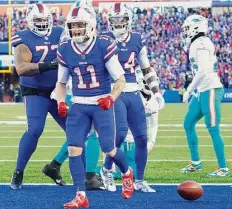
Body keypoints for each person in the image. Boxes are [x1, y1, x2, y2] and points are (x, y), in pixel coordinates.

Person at [56, 6, 134, 208]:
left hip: (101, 102)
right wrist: (61, 101)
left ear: (90, 25)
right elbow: (61, 83)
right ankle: (81, 194)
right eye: (73, 26)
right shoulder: (65, 48)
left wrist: (111, 97)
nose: (76, 30)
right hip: (79, 104)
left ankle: (126, 172)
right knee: (74, 148)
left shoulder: (103, 45)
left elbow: (120, 80)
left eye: (80, 25)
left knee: (108, 148)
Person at [100, 3, 164, 193]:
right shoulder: (103, 40)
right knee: (119, 134)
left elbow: (146, 68)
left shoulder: (137, 39)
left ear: (129, 21)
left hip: (134, 91)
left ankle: (140, 180)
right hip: (114, 91)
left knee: (142, 138)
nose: (118, 24)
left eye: (122, 20)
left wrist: (157, 92)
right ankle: (106, 170)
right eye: (115, 20)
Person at [41, 0, 105, 190]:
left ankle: (54, 165)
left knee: (82, 133)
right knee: (92, 132)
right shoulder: (78, 35)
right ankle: (90, 176)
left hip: (71, 88)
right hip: (78, 89)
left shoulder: (66, 33)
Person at [9, 3, 66, 189]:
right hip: (35, 92)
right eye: (38, 20)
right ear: (30, 21)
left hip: (58, 90)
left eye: (44, 19)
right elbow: (21, 69)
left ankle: (58, 168)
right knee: (35, 130)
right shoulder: (23, 38)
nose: (42, 23)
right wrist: (48, 65)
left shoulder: (61, 32)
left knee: (78, 130)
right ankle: (18, 171)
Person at [181, 14, 230, 177]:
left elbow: (202, 71)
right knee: (188, 123)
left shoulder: (200, 43)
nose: (185, 31)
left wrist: (189, 89)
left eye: (187, 28)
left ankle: (223, 168)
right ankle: (196, 163)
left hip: (210, 89)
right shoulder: (198, 42)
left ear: (195, 28)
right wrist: (195, 90)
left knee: (213, 128)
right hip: (203, 90)